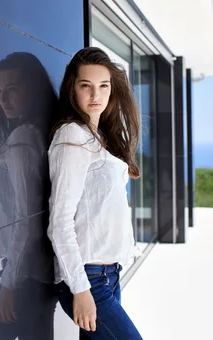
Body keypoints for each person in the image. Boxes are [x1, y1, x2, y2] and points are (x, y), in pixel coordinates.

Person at [47, 47, 144, 339]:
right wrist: (80, 289)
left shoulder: (99, 137)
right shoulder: (72, 137)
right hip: (88, 278)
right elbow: (60, 221)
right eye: (85, 86)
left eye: (104, 86)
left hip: (108, 275)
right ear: (72, 89)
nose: (95, 95)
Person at [0, 52, 59, 340]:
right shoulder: (42, 132)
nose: (3, 100)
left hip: (26, 276)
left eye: (13, 89)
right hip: (39, 273)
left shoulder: (23, 138)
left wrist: (9, 285)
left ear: (32, 89)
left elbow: (27, 220)